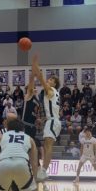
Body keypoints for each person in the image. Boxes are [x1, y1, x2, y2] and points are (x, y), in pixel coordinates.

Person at [32, 54, 61, 182]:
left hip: (53, 121)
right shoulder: (54, 93)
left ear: (54, 83)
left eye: (50, 80)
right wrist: (43, 119)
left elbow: (40, 78)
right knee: (47, 145)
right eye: (48, 80)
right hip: (53, 121)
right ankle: (44, 170)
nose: (47, 81)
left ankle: (43, 170)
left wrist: (35, 64)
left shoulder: (50, 90)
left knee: (47, 146)